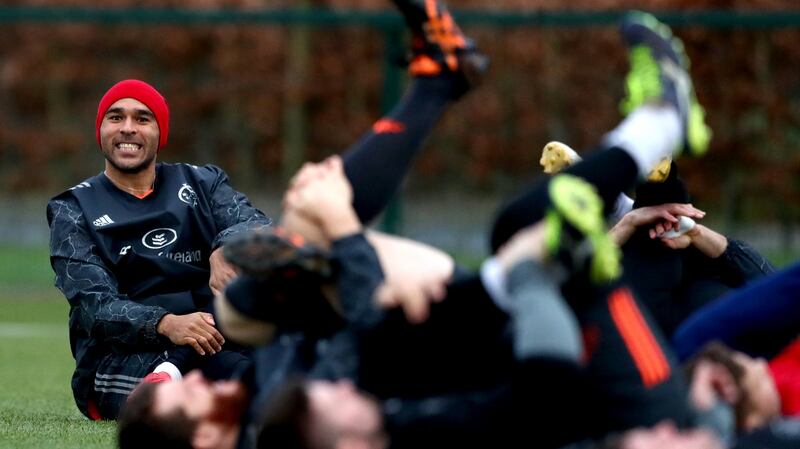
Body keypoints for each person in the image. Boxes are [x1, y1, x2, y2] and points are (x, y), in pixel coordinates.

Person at [47, 78, 272, 420]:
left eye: (142, 118)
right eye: (115, 117)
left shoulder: (203, 183)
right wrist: (166, 324)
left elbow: (258, 227)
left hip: (216, 338)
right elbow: (95, 306)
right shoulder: (73, 209)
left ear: (160, 132)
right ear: (101, 130)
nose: (128, 128)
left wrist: (226, 248)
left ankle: (183, 371)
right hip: (124, 359)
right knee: (237, 385)